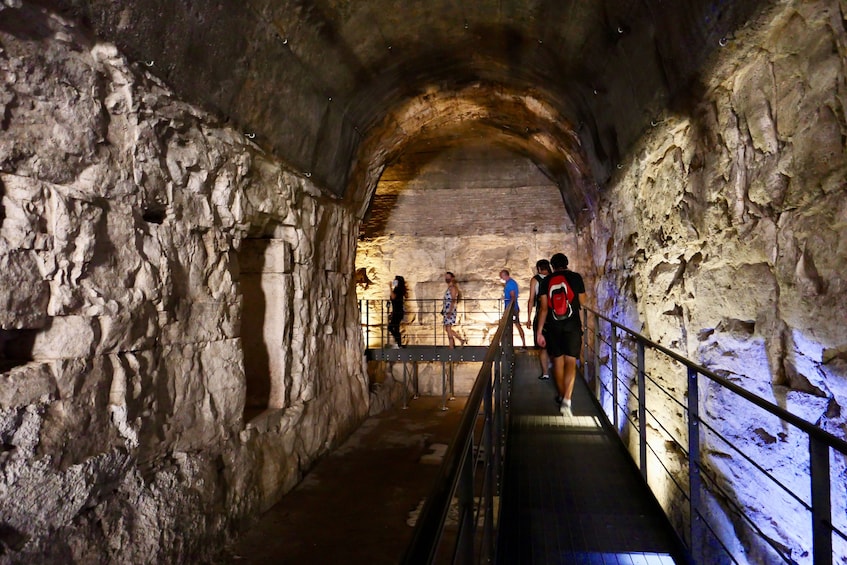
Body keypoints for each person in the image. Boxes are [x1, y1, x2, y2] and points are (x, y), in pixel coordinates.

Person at [536, 253, 587, 418]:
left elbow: (544, 308)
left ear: (552, 266)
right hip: (572, 325)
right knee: (571, 361)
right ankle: (567, 399)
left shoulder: (546, 281)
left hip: (553, 326)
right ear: (566, 263)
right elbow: (583, 302)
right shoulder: (576, 277)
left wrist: (539, 331)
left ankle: (560, 393)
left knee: (557, 360)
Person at [525, 259, 551, 379]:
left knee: (543, 346)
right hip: (556, 316)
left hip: (542, 314)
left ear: (539, 268)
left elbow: (531, 299)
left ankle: (545, 373)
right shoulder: (553, 277)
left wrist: (528, 317)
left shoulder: (535, 279)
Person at [499, 269, 526, 348]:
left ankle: (521, 344)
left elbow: (512, 296)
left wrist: (510, 308)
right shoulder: (510, 282)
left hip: (512, 309)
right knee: (514, 325)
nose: (500, 277)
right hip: (512, 308)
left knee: (515, 325)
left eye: (501, 276)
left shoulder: (509, 284)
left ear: (505, 275)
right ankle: (520, 344)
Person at [442, 271, 466, 348]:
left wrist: (450, 311)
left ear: (452, 278)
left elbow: (453, 300)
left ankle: (451, 345)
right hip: (447, 310)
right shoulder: (449, 288)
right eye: (446, 277)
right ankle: (460, 340)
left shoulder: (453, 288)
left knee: (448, 327)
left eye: (448, 277)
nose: (447, 278)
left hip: (450, 310)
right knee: (447, 328)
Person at [388, 275, 407, 348]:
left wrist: (390, 287)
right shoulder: (398, 289)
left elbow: (393, 297)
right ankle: (398, 344)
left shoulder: (398, 290)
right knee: (395, 328)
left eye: (395, 280)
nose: (394, 281)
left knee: (391, 327)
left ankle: (398, 343)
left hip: (398, 312)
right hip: (397, 311)